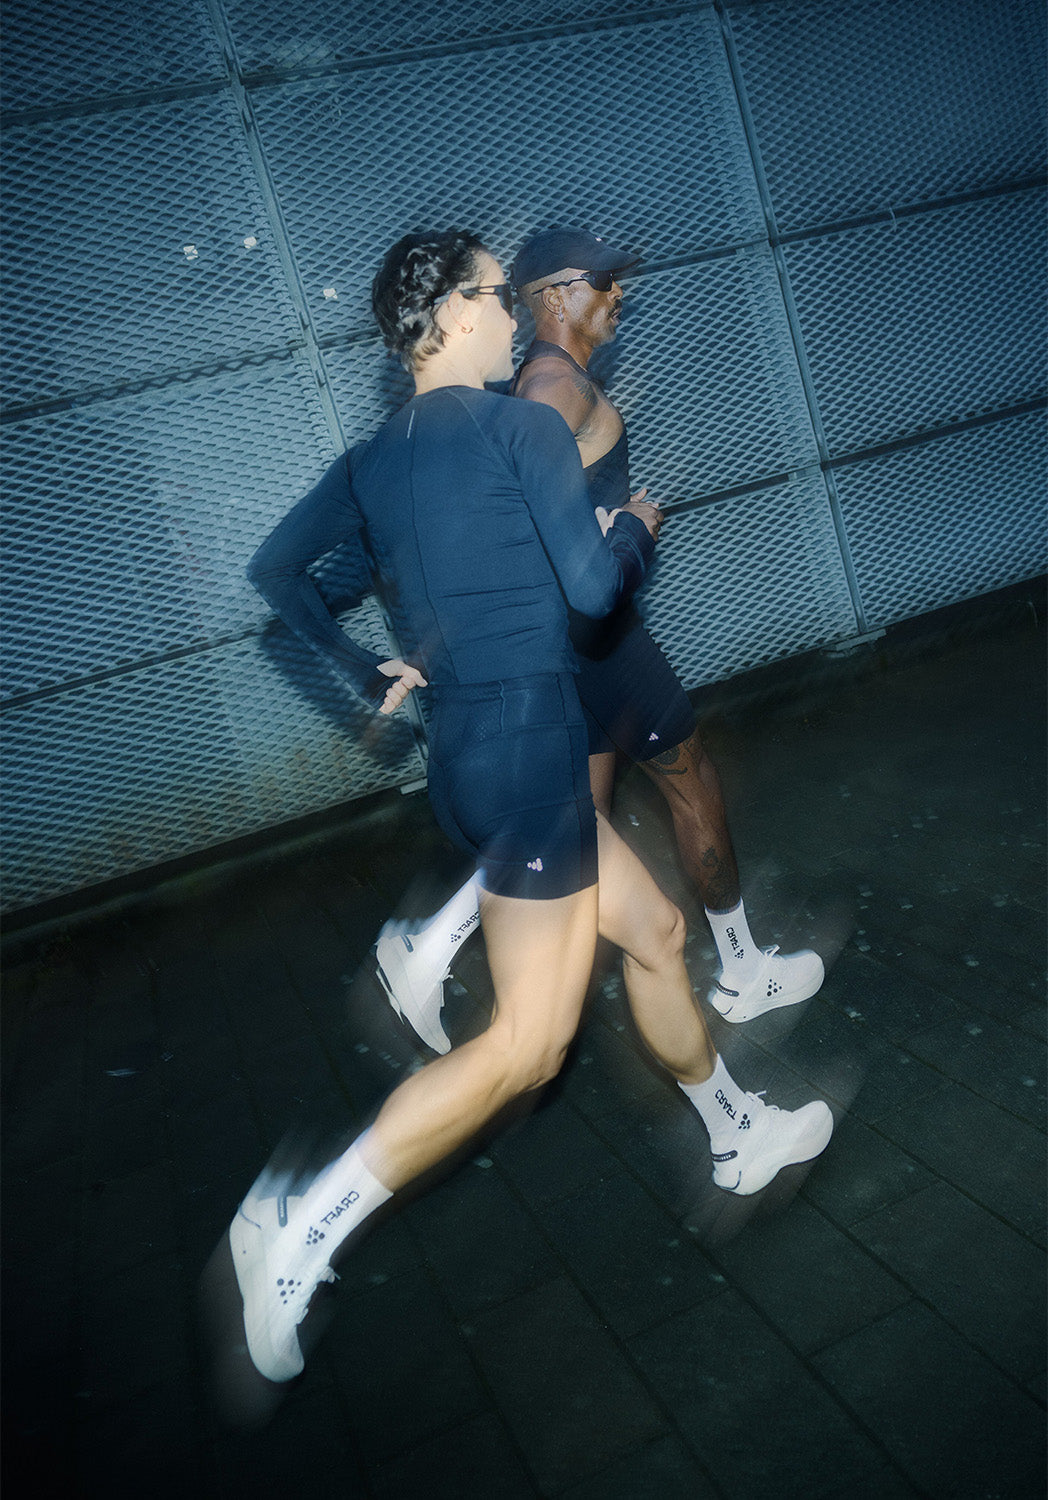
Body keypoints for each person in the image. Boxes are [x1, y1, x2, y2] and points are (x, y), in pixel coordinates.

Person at [233, 229, 833, 1385]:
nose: (513, 314)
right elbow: (596, 598)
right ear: (452, 314)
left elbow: (279, 577)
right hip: (538, 756)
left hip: (469, 760)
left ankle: (735, 1134)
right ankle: (302, 1222)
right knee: (524, 1049)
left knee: (656, 933)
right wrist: (633, 531)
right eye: (497, 295)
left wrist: (367, 677)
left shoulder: (373, 462)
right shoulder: (520, 427)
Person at [376, 226, 825, 1055]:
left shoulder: (539, 385)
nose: (619, 295)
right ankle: (740, 968)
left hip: (566, 650)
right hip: (600, 645)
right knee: (694, 787)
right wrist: (631, 530)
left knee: (575, 822)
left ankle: (436, 945)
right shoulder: (552, 389)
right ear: (555, 295)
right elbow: (513, 521)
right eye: (604, 281)